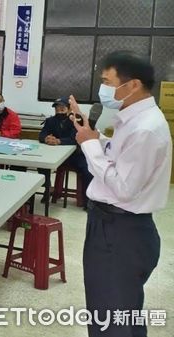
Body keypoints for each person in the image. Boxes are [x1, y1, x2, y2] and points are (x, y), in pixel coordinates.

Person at [70, 51, 171, 337]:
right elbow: (120, 156)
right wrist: (96, 138)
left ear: (133, 85)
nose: (103, 89)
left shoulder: (147, 129)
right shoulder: (133, 121)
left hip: (122, 230)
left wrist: (90, 146)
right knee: (112, 310)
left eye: (107, 81)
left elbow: (124, 187)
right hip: (110, 225)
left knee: (114, 318)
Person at [38, 96, 92, 200]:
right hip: (55, 155)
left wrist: (59, 141)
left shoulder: (75, 121)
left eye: (62, 107)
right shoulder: (50, 121)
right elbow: (41, 134)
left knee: (87, 169)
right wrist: (46, 138)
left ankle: (87, 200)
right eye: (57, 107)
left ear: (69, 109)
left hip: (74, 155)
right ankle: (47, 188)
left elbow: (75, 139)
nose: (59, 110)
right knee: (41, 163)